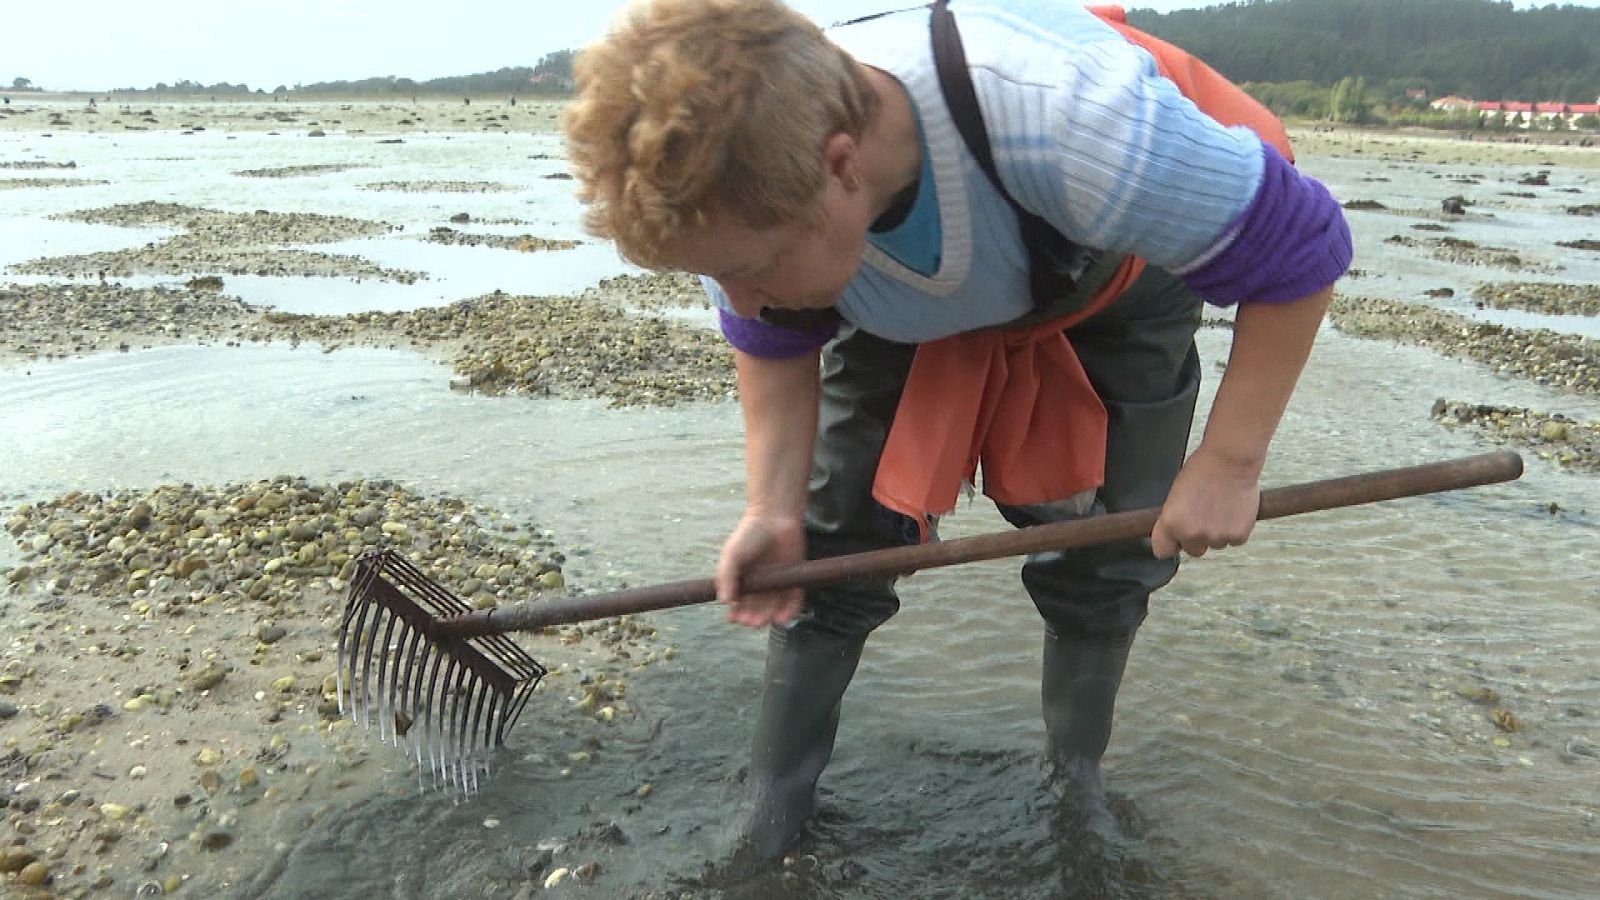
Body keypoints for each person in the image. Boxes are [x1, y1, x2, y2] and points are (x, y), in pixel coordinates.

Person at [563, 0, 1350, 860]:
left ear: (841, 166)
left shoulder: (1073, 117)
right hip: (888, 287)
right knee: (825, 546)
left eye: (748, 270)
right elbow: (771, 337)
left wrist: (1229, 463)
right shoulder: (741, 181)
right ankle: (773, 802)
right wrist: (769, 509)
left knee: (1112, 546)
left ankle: (1076, 782)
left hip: (1112, 278)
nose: (736, 302)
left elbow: (1303, 244)